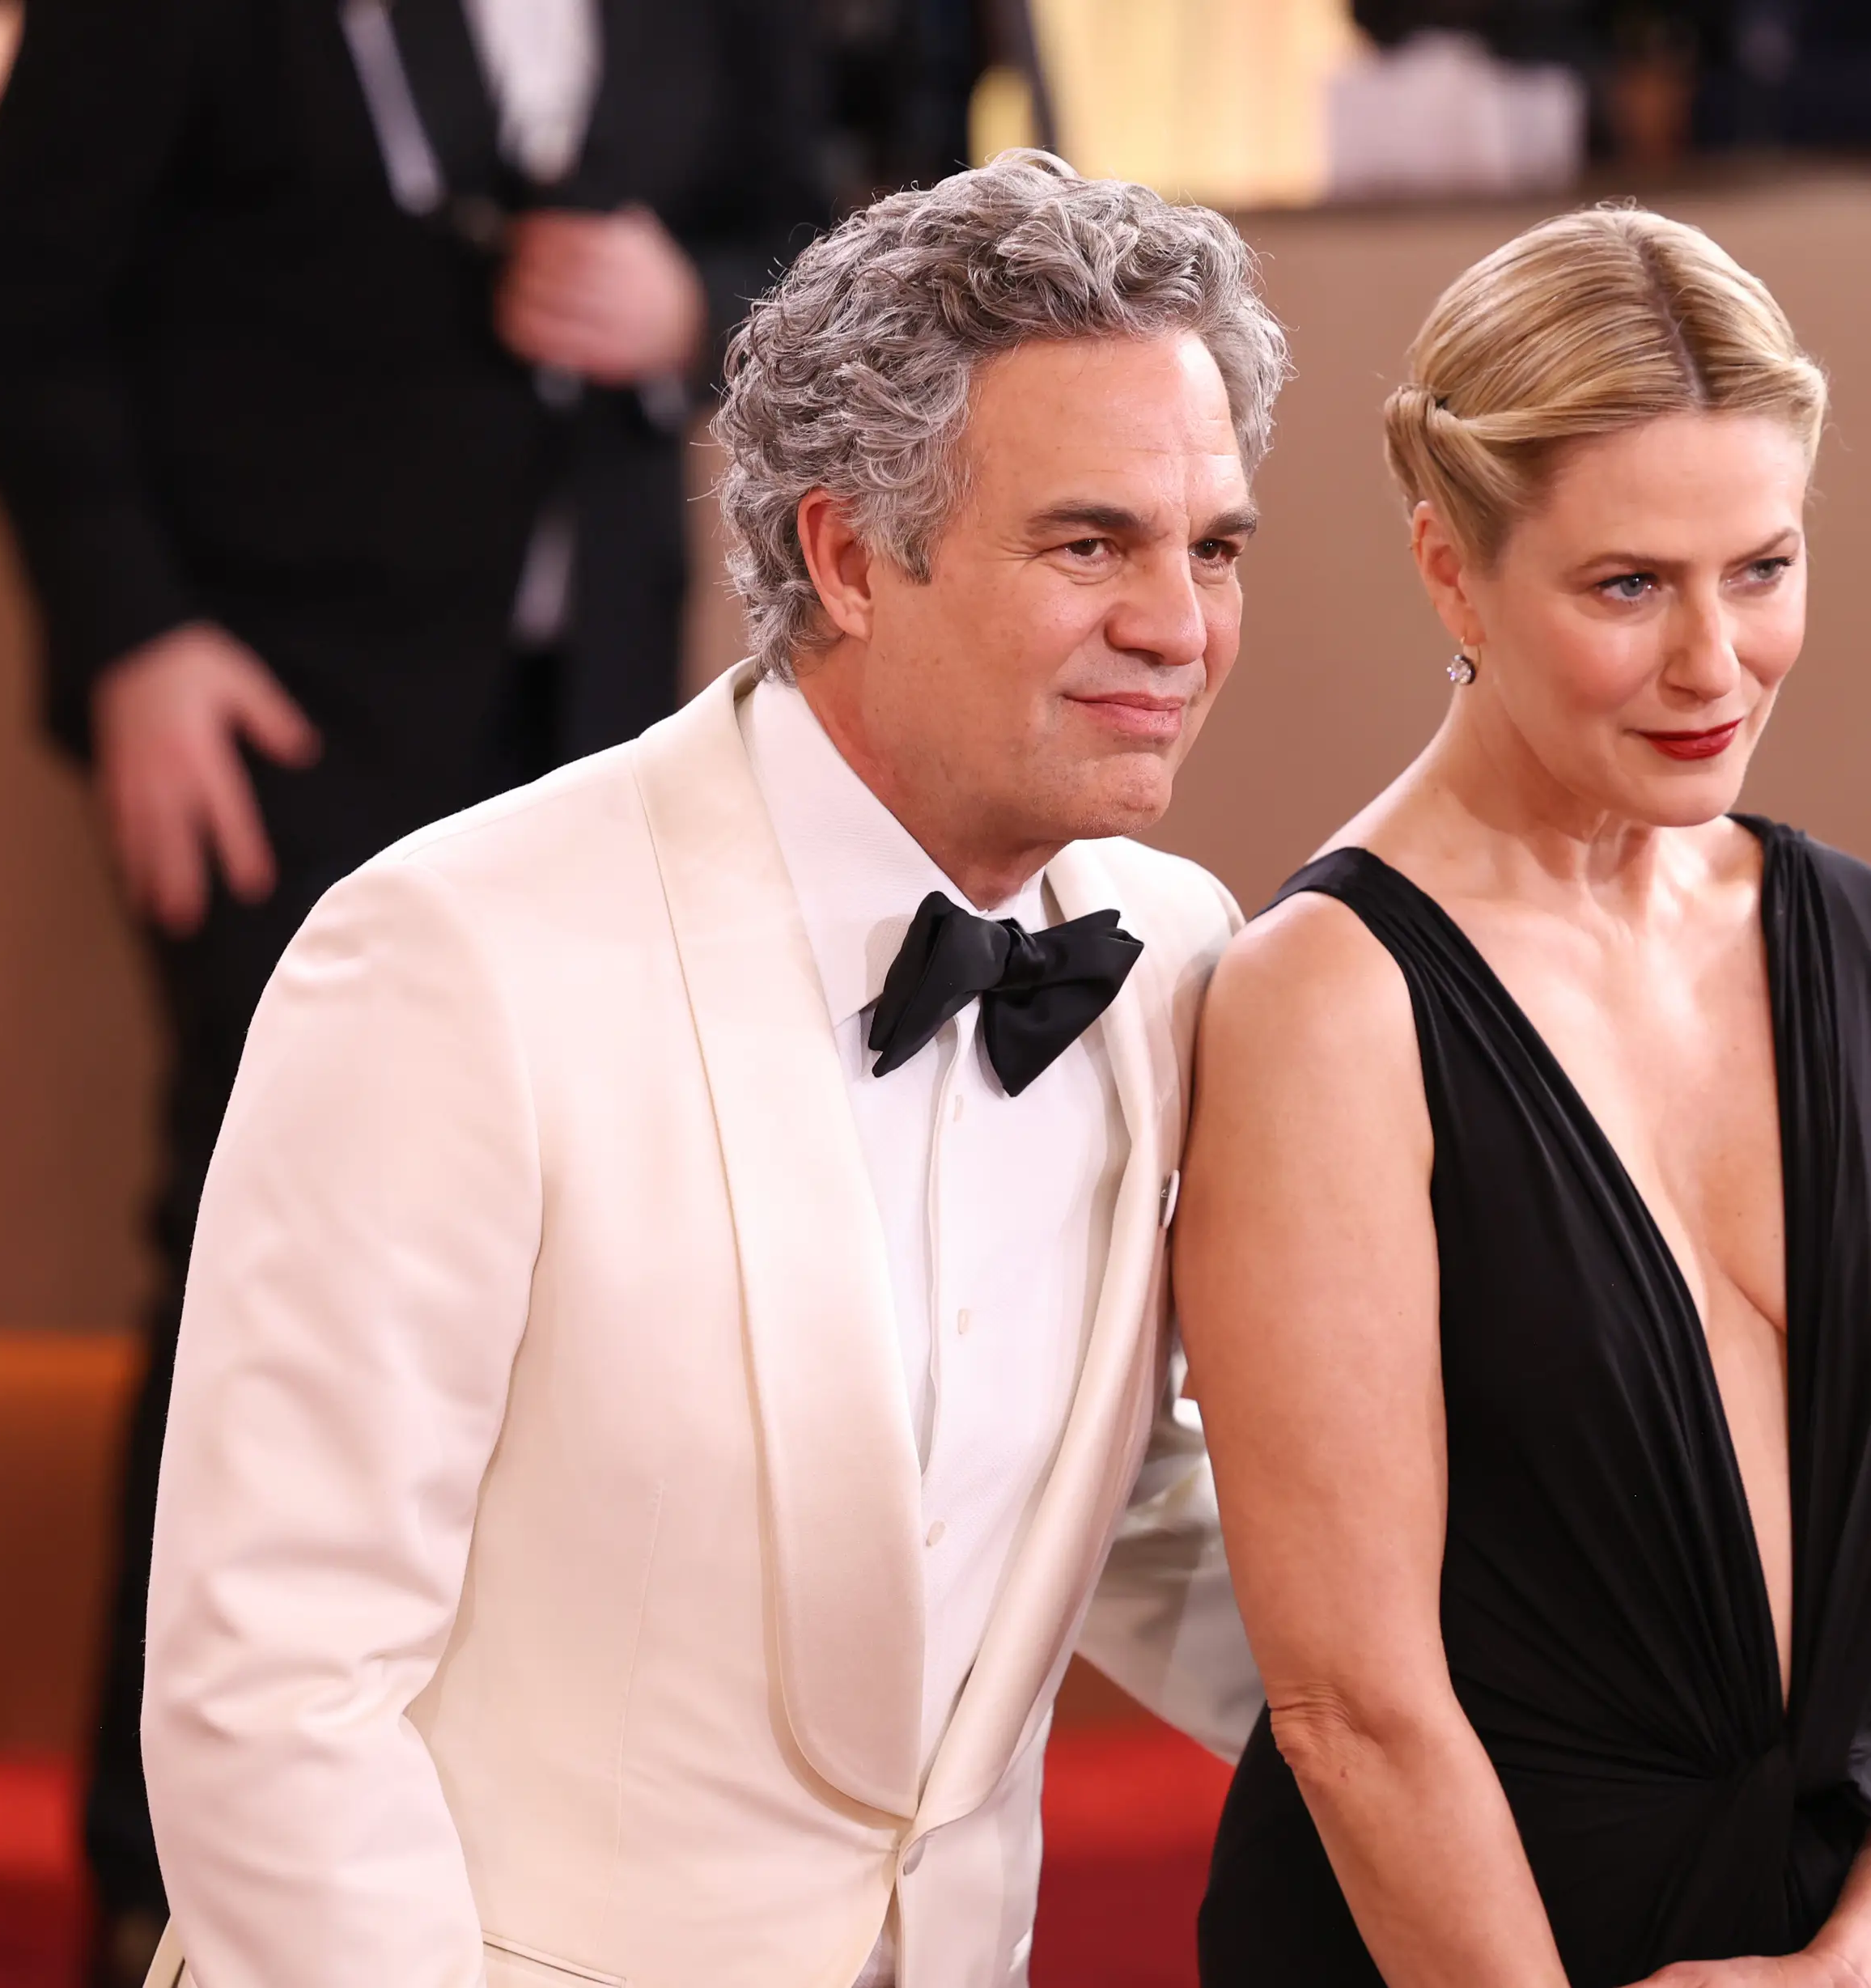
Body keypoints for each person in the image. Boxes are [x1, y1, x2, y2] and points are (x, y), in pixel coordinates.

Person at [135, 152, 1284, 1988]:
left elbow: (1106, 1497)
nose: (1176, 624)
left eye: (1210, 546)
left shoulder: (1170, 952)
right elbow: (279, 1685)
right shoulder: (449, 959)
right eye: (1092, 544)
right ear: (845, 555)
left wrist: (1509, 1733)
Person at [0, 6, 827, 1978]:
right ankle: (161, 1879)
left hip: (597, 710)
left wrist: (689, 296)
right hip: (269, 713)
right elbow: (24, 285)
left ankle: (501, 1859)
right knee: (260, 1271)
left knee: (576, 1286)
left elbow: (806, 230)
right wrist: (133, 643)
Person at [1177, 206, 1871, 1988]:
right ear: (1452, 572)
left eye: (1760, 567)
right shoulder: (1325, 1003)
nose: (1711, 662)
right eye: (1625, 586)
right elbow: (1352, 1706)